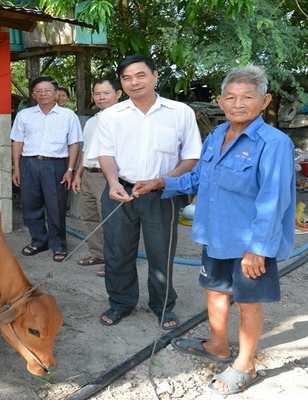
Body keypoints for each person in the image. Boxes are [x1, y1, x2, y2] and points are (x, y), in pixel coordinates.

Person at [134, 64, 295, 395]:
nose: (238, 104)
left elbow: (273, 199)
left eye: (247, 97)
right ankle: (218, 346)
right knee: (215, 291)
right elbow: (199, 179)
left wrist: (257, 249)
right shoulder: (218, 135)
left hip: (249, 242)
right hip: (215, 234)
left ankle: (245, 365)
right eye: (231, 97)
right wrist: (162, 182)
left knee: (248, 303)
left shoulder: (274, 142)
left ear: (264, 101)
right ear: (221, 102)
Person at [86, 55, 202, 330]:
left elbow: (191, 157)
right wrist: (112, 182)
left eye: (140, 75)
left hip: (162, 194)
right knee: (117, 252)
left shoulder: (179, 112)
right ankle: (121, 303)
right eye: (127, 78)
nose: (134, 82)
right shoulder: (112, 115)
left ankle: (163, 307)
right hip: (120, 191)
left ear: (155, 75)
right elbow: (106, 153)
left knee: (161, 253)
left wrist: (162, 181)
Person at [11, 76, 83, 262]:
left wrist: (70, 169)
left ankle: (59, 245)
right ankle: (38, 241)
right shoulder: (24, 115)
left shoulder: (68, 116)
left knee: (56, 206)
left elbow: (74, 144)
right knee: (30, 204)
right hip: (29, 163)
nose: (43, 94)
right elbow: (17, 142)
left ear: (56, 93)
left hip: (55, 164)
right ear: (34, 94)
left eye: (47, 90)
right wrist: (17, 168)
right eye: (38, 91)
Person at [72, 78, 122, 276]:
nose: (101, 97)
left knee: (112, 220)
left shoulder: (123, 119)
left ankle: (114, 261)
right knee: (89, 217)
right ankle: (97, 254)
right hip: (88, 174)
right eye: (97, 93)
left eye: (106, 93)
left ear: (118, 94)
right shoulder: (92, 121)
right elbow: (85, 150)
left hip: (108, 176)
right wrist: (78, 174)